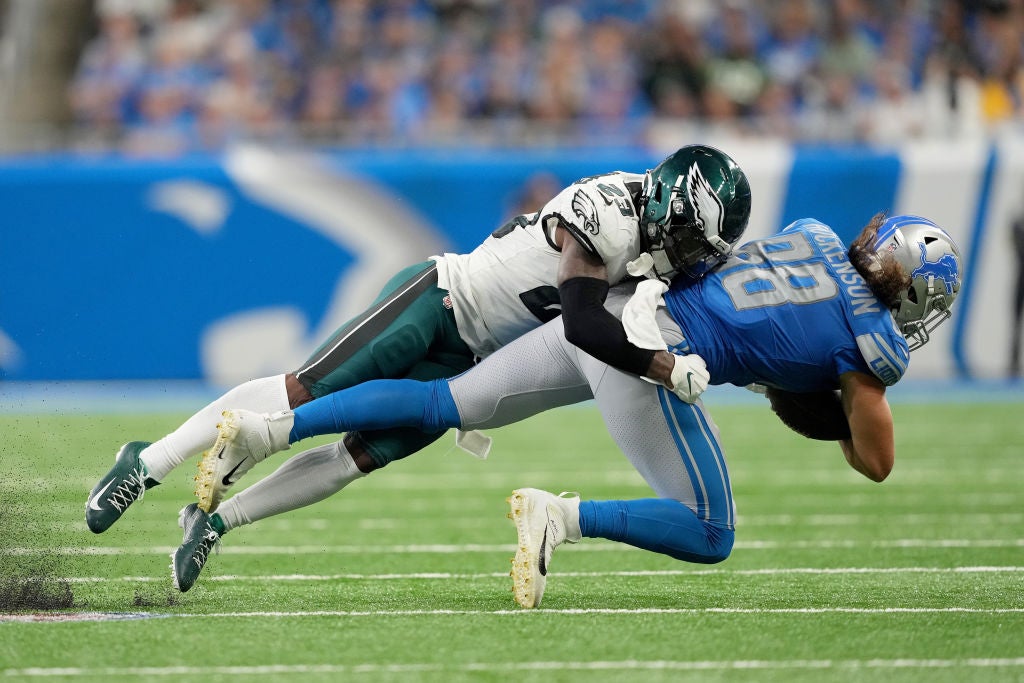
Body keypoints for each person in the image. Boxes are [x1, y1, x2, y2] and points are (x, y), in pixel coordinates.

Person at [173, 214, 963, 606]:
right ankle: (561, 517)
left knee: (444, 400)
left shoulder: (816, 232)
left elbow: (779, 321)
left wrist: (781, 370)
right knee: (713, 530)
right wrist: (830, 397)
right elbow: (876, 461)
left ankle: (275, 426)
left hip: (609, 308)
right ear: (914, 289)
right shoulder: (869, 343)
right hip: (651, 352)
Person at [85, 146, 752, 538]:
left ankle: (216, 522)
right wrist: (660, 364)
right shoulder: (606, 212)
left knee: (355, 459)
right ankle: (150, 460)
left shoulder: (657, 245)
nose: (690, 256)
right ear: (667, 200)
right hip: (441, 300)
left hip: (471, 361)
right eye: (690, 236)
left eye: (703, 249)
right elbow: (581, 324)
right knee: (304, 389)